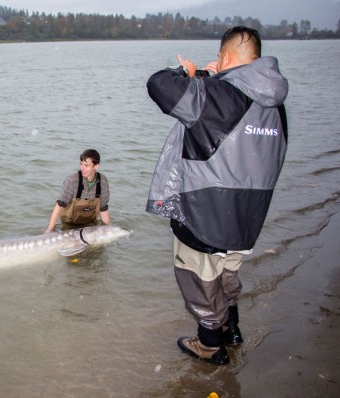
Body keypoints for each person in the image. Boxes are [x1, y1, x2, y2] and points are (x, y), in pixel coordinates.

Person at [145, 26, 288, 365]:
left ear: (225, 56)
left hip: (205, 211)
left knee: (198, 277)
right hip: (247, 217)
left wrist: (189, 74)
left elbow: (158, 85)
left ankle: (210, 343)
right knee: (228, 273)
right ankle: (231, 328)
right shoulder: (275, 102)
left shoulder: (214, 95)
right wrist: (214, 80)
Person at [45, 149, 110, 233]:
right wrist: (50, 229)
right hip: (69, 224)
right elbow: (59, 206)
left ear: (96, 166)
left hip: (90, 224)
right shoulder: (72, 180)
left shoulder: (103, 181)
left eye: (86, 165)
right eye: (81, 164)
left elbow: (103, 209)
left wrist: (108, 228)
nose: (82, 168)